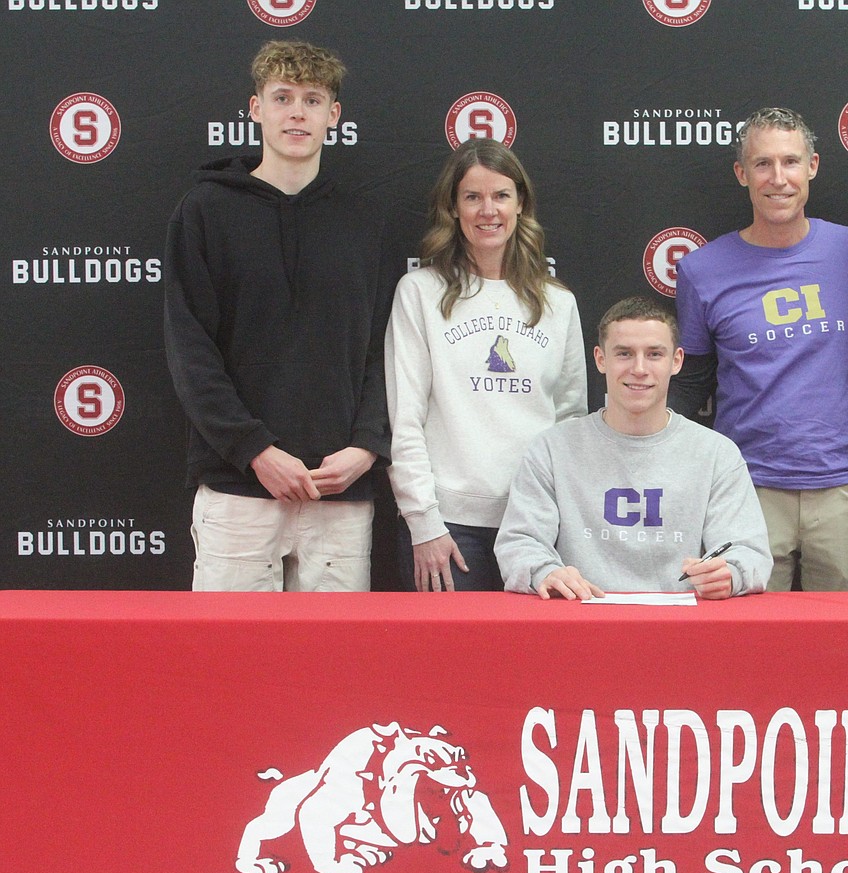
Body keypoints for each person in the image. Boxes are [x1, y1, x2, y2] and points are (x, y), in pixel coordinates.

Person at [164, 40, 393, 591]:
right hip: (238, 488)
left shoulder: (363, 220)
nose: (297, 112)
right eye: (282, 97)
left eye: (313, 100)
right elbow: (190, 350)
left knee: (334, 672)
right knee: (231, 669)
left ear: (333, 115)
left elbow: (388, 348)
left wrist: (366, 445)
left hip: (339, 492)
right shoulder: (204, 212)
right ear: (255, 108)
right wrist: (255, 451)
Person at [671, 107, 848, 593]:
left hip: (846, 486)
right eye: (763, 164)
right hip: (747, 488)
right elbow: (690, 382)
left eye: (790, 161)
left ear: (813, 167)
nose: (777, 178)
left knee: (846, 648)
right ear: (742, 174)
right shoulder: (702, 270)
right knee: (749, 653)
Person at [386, 138, 587, 592]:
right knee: (450, 664)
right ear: (453, 208)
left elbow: (570, 422)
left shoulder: (558, 303)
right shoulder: (419, 292)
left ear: (520, 205)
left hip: (536, 526)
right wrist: (423, 523)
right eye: (472, 197)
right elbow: (405, 418)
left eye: (500, 196)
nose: (487, 210)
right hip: (448, 528)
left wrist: (559, 521)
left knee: (532, 664)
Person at [494, 297, 772, 600]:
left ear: (676, 361)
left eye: (654, 354)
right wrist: (543, 571)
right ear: (601, 359)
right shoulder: (551, 449)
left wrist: (731, 574)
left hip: (682, 629)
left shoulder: (717, 454)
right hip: (581, 622)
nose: (639, 369)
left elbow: (750, 552)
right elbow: (518, 543)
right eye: (624, 354)